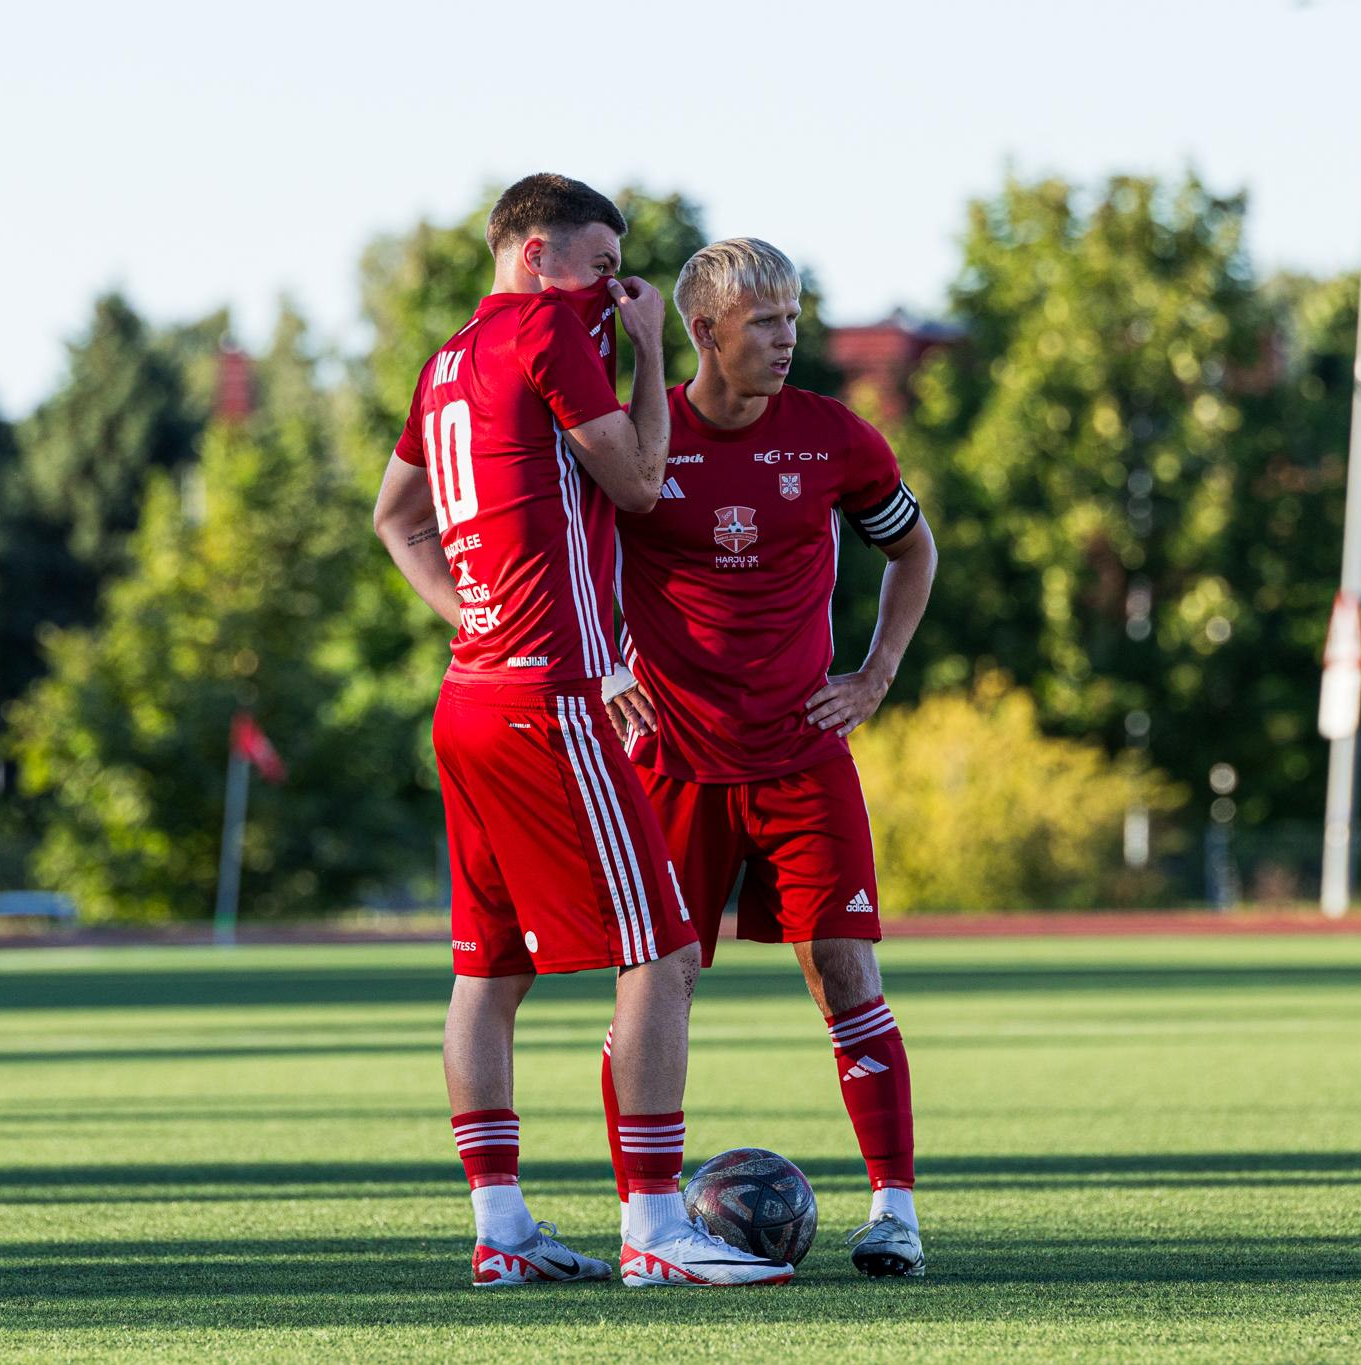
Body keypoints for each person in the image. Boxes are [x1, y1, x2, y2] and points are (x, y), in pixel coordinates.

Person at [371, 177, 789, 1289]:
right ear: (538, 252)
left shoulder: (445, 359)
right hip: (546, 699)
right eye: (603, 264)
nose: (617, 287)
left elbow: (394, 518)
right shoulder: (547, 326)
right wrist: (651, 349)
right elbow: (644, 482)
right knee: (659, 953)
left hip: (469, 695)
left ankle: (500, 1235)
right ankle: (655, 1230)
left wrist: (472, 617)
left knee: (488, 970)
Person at [601, 238, 939, 1278]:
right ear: (703, 333)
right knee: (653, 989)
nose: (787, 338)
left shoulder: (835, 439)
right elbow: (566, 558)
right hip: (671, 761)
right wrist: (608, 666)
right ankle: (647, 1222)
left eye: (793, 317)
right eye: (765, 322)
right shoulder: (634, 436)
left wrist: (874, 675)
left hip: (802, 755)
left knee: (846, 974)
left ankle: (893, 1213)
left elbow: (911, 550)